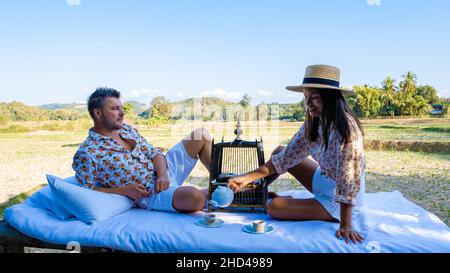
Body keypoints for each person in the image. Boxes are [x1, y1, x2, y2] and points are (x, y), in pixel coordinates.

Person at [228, 64, 366, 244]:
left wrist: (346, 224)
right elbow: (285, 158)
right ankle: (255, 191)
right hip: (323, 177)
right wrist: (247, 178)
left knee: (273, 208)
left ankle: (284, 202)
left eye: (314, 98)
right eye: (305, 97)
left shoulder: (346, 131)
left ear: (330, 99)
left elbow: (348, 181)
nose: (308, 104)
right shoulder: (313, 123)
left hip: (341, 198)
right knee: (280, 151)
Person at [72, 87, 212, 213]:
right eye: (115, 109)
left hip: (164, 170)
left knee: (201, 134)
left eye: (121, 108)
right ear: (98, 113)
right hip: (151, 193)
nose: (122, 113)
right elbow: (86, 190)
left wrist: (163, 175)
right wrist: (123, 191)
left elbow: (155, 153)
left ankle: (221, 182)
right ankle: (217, 192)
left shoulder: (126, 130)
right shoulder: (87, 153)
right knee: (195, 197)